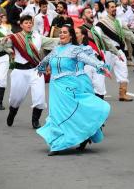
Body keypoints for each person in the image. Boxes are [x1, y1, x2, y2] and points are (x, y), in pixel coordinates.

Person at [36, 25, 111, 156]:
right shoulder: (55, 49)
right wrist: (41, 68)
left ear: (71, 36)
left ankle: (75, 138)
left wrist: (101, 66)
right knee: (56, 114)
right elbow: (45, 60)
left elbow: (89, 60)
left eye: (65, 33)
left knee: (74, 113)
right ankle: (57, 143)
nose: (61, 35)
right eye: (60, 33)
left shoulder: (75, 50)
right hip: (55, 87)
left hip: (69, 85)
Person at [4, 15, 59, 129]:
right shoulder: (15, 37)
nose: (29, 24)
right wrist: (7, 46)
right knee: (16, 99)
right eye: (26, 22)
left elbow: (52, 42)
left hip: (35, 70)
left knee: (40, 97)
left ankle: (35, 120)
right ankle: (12, 113)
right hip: (19, 71)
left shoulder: (38, 37)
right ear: (21, 25)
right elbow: (1, 44)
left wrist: (66, 38)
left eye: (30, 22)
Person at [96, 1, 134, 101]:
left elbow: (128, 33)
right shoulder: (101, 22)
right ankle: (99, 95)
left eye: (115, 7)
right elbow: (98, 37)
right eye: (112, 7)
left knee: (123, 70)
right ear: (107, 9)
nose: (114, 9)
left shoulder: (119, 21)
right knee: (102, 73)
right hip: (107, 52)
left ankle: (123, 94)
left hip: (119, 51)